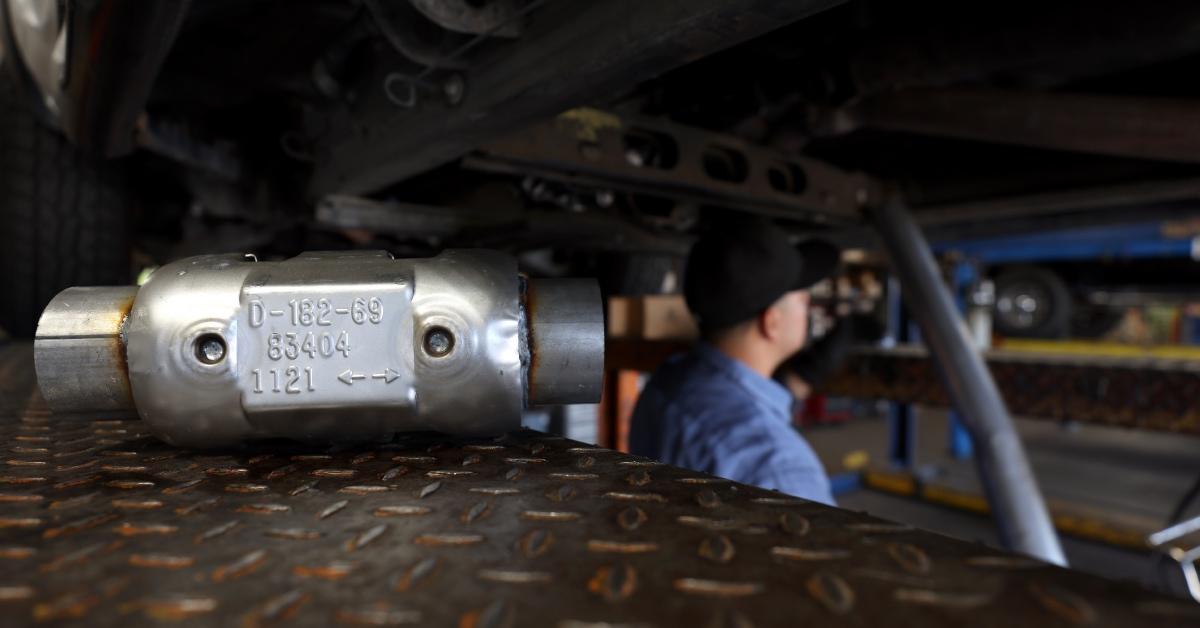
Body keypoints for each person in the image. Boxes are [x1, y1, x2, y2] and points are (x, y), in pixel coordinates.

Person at [628, 219, 839, 505]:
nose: (809, 310)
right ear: (772, 322)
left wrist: (799, 380)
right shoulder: (780, 469)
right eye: (803, 302)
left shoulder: (666, 385)